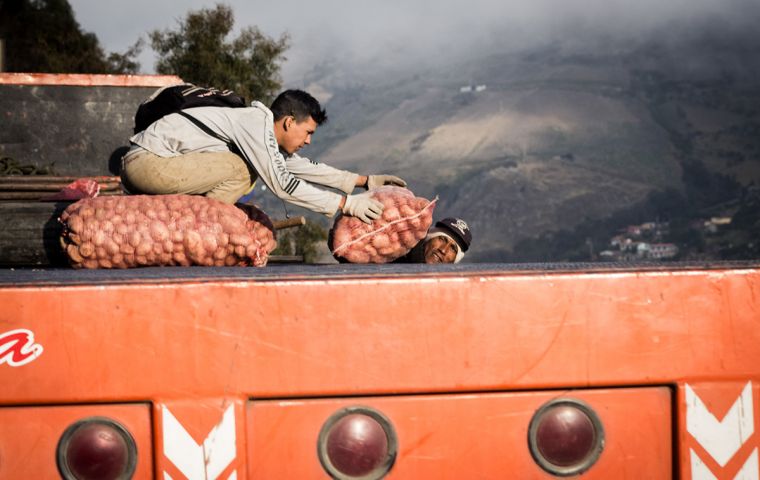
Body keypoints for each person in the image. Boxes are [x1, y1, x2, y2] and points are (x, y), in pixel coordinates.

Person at [120, 89, 405, 223]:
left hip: (155, 165)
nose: (307, 141)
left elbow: (298, 168)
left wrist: (363, 181)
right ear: (289, 122)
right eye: (308, 133)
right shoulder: (254, 124)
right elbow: (283, 184)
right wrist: (347, 205)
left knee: (248, 167)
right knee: (244, 170)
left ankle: (196, 219)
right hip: (147, 164)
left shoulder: (261, 133)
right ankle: (198, 224)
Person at [394, 217, 472, 264]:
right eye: (442, 239)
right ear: (430, 236)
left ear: (455, 259)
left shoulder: (448, 288)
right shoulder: (395, 256)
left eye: (453, 248)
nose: (443, 250)